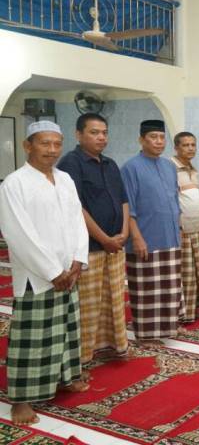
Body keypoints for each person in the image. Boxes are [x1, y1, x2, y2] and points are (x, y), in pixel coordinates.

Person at [0, 121, 90, 425]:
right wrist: (52, 271)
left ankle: (66, 377)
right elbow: (18, 233)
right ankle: (21, 399)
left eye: (56, 144)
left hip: (69, 272)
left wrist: (77, 259)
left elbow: (77, 220)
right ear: (28, 146)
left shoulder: (65, 179)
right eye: (44, 143)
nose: (52, 150)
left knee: (65, 330)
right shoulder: (14, 183)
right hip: (37, 276)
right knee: (32, 339)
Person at [57, 113, 129, 366]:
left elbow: (123, 200)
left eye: (104, 133)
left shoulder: (110, 164)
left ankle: (111, 346)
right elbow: (76, 208)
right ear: (79, 134)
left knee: (112, 300)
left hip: (115, 246)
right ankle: (83, 357)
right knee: (88, 307)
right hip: (90, 249)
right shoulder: (71, 163)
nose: (101, 137)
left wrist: (124, 233)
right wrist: (104, 238)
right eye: (94, 132)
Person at [121, 119, 183, 342]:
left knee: (169, 287)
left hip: (171, 237)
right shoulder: (130, 168)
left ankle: (168, 327)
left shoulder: (169, 166)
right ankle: (147, 333)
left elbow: (174, 200)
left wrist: (179, 229)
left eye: (162, 137)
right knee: (146, 288)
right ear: (141, 140)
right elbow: (128, 207)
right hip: (146, 238)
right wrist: (136, 237)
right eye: (153, 137)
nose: (159, 141)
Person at [170, 132, 199, 322]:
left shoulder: (194, 169)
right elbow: (171, 200)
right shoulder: (171, 168)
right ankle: (184, 313)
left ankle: (196, 308)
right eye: (185, 145)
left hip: (197, 228)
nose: (190, 148)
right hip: (183, 229)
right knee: (186, 274)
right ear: (176, 147)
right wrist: (177, 227)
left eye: (193, 145)